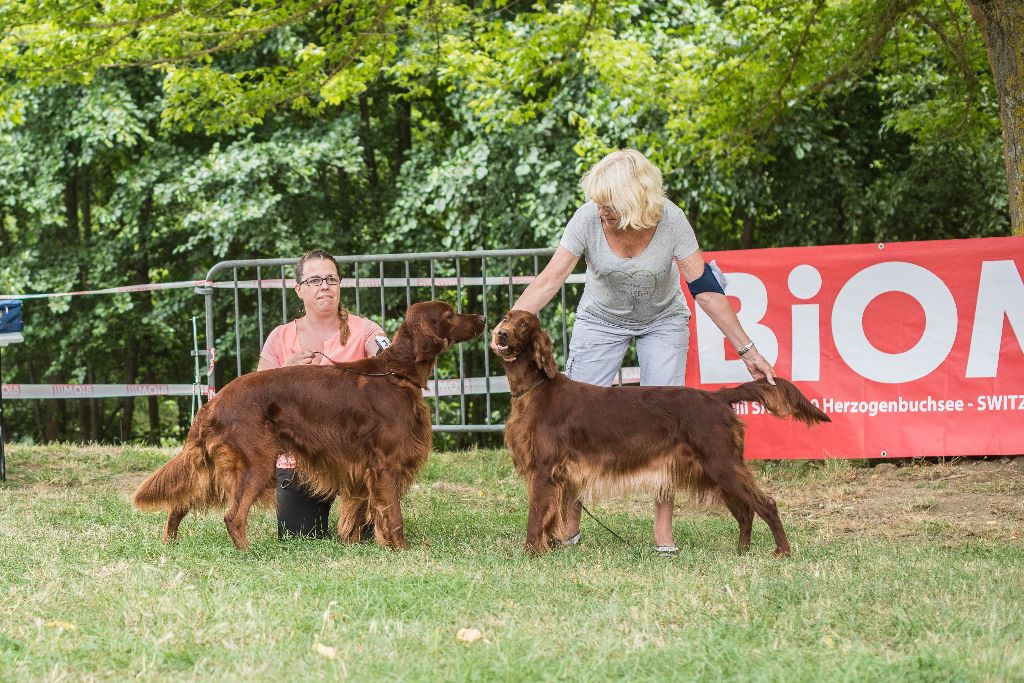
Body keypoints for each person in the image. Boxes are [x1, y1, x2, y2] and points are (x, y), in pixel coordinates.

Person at [512, 149, 776, 554]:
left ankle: (663, 529)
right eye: (598, 202)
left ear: (636, 201)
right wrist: (512, 321)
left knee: (667, 423)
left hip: (663, 319)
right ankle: (569, 522)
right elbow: (551, 279)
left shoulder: (671, 220)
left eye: (610, 204)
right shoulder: (587, 219)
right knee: (570, 421)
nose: (601, 211)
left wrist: (747, 349)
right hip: (600, 318)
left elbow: (705, 291)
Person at [257, 249, 389, 539]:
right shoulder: (279, 336)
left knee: (365, 538)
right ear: (299, 289)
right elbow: (256, 399)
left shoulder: (367, 330)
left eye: (331, 278)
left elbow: (390, 365)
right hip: (299, 461)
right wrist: (283, 372)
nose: (325, 286)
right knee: (298, 538)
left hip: (357, 459)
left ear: (340, 284)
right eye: (315, 280)